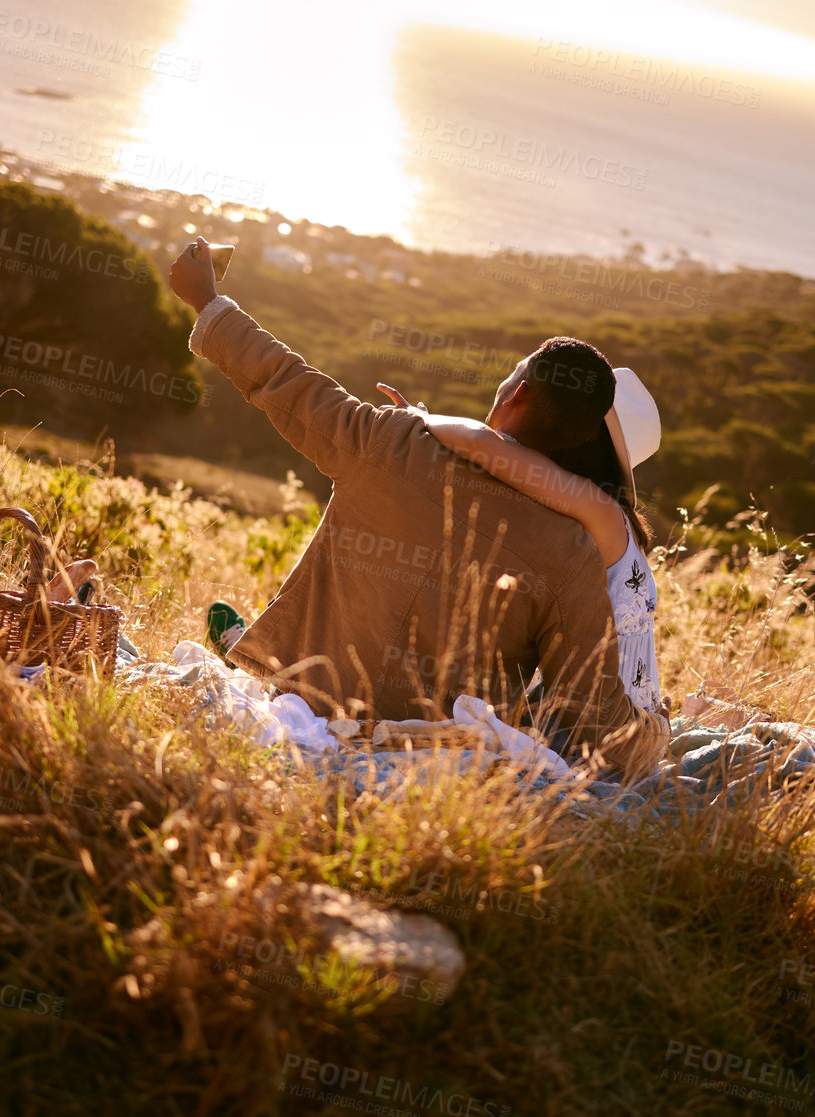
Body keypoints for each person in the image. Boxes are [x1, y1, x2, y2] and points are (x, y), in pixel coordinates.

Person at [163, 236, 668, 777]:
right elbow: (593, 715)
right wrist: (651, 732)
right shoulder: (575, 551)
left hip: (312, 701)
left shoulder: (392, 440)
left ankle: (238, 642)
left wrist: (208, 303)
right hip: (438, 747)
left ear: (515, 395)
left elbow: (287, 381)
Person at [374, 366, 665, 715]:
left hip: (603, 723)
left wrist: (418, 419)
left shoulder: (597, 509)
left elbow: (480, 443)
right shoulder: (617, 519)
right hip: (627, 713)